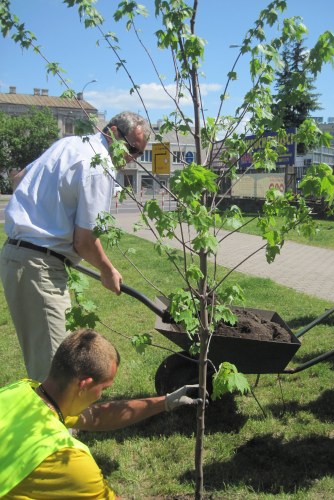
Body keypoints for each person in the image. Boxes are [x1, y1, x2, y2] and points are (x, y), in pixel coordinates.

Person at [0, 111, 151, 382]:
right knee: (58, 375)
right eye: (131, 149)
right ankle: (56, 425)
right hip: (39, 266)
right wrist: (107, 270)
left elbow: (19, 178)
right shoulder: (99, 165)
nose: (132, 158)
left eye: (139, 154)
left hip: (18, 257)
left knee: (43, 364)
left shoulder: (68, 144)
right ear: (113, 132)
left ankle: (48, 420)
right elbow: (84, 241)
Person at [0, 328, 204, 498]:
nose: (100, 397)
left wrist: (165, 402)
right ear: (84, 385)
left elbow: (98, 416)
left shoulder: (21, 391)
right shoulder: (67, 458)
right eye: (103, 389)